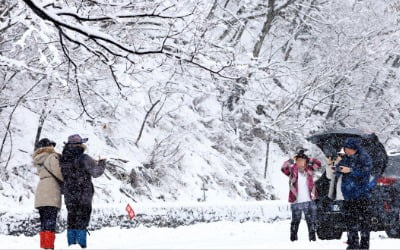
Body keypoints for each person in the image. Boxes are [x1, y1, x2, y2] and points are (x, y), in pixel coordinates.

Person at [59, 134, 106, 248]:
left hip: (69, 195)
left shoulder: (63, 159)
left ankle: (71, 245)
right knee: (82, 221)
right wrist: (102, 163)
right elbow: (96, 172)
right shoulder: (84, 158)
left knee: (71, 221)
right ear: (80, 145)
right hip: (83, 195)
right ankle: (80, 246)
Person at [335, 138, 372, 249]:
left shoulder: (364, 158)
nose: (346, 151)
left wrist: (350, 171)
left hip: (361, 195)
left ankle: (364, 245)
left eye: (348, 148)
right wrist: (337, 167)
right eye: (345, 148)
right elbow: (339, 169)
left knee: (364, 222)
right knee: (350, 221)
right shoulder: (345, 158)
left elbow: (365, 173)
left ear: (354, 148)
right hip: (348, 195)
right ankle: (353, 243)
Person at [281, 149, 322, 242]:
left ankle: (312, 240)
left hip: (309, 200)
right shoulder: (292, 170)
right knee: (295, 222)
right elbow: (283, 168)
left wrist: (307, 158)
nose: (300, 162)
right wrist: (291, 159)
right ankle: (293, 240)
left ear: (305, 161)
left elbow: (318, 163)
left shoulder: (309, 170)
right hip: (296, 201)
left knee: (311, 222)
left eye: (302, 160)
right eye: (298, 160)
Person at [32, 138, 63, 250]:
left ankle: (44, 246)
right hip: (51, 191)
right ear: (49, 146)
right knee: (50, 222)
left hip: (41, 192)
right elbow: (58, 172)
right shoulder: (52, 157)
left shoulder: (38, 159)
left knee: (44, 223)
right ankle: (49, 247)